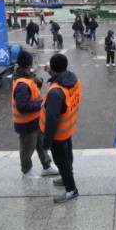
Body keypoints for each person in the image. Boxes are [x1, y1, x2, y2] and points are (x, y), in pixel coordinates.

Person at [12, 51, 60, 179]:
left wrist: (39, 82)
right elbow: (22, 107)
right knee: (27, 148)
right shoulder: (22, 84)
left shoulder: (27, 77)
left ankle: (47, 166)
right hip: (26, 123)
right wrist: (41, 104)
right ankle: (27, 170)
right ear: (30, 63)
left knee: (41, 144)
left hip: (36, 120)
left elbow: (33, 91)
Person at [41, 53, 81, 203]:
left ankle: (71, 190)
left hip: (57, 134)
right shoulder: (73, 80)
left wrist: (46, 142)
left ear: (53, 69)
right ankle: (66, 178)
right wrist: (50, 72)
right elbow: (60, 77)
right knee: (68, 155)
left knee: (61, 161)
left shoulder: (55, 92)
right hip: (68, 127)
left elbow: (51, 120)